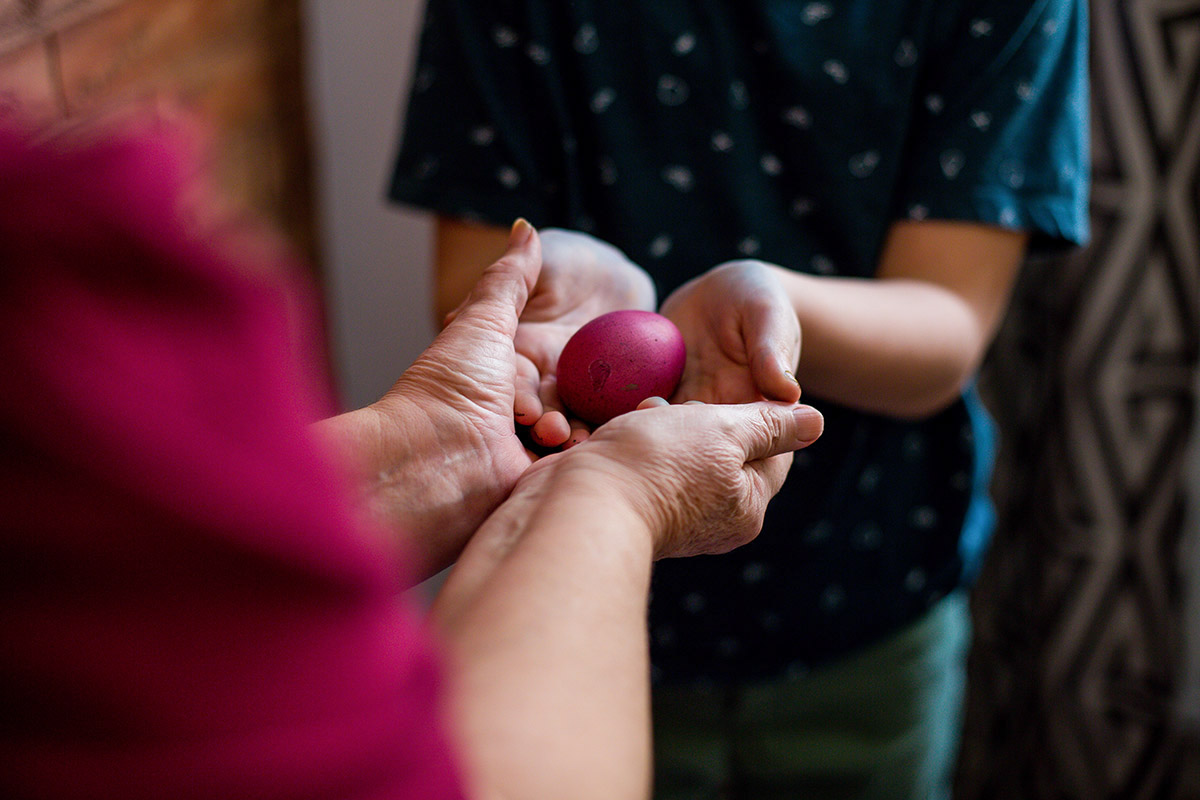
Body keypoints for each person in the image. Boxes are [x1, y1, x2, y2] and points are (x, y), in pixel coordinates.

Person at [0, 119, 824, 800]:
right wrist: (616, 492)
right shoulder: (59, 280)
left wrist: (442, 448)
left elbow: (132, 589)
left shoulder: (52, 289)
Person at [388, 1, 1090, 797]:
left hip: (863, 594)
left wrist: (772, 308)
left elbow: (949, 328)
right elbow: (469, 288)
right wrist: (543, 277)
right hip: (571, 601)